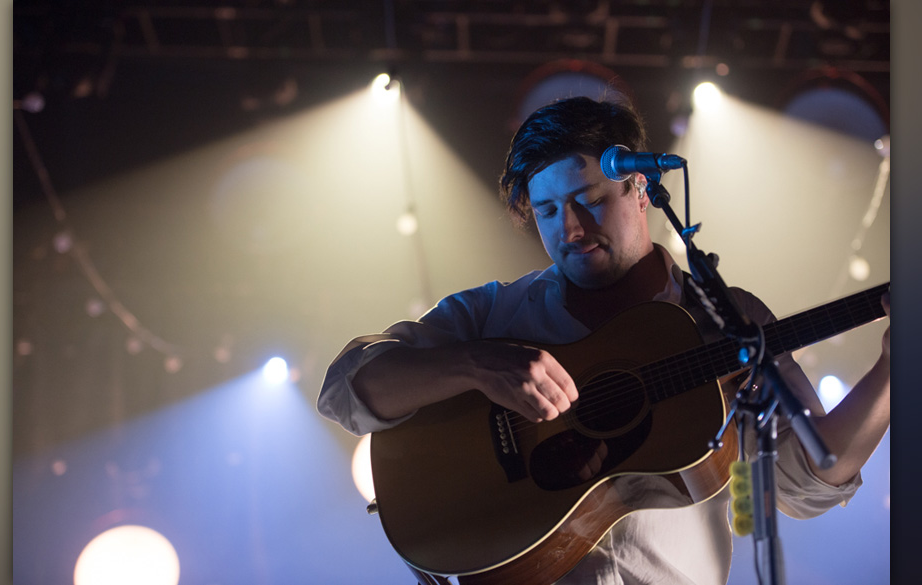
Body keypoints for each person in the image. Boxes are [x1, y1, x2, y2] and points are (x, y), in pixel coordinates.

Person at [317, 96, 891, 584]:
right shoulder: (493, 314)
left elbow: (807, 483)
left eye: (588, 200)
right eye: (547, 210)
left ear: (640, 187)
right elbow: (345, 389)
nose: (569, 229)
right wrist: (474, 363)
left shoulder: (728, 318)